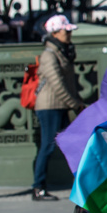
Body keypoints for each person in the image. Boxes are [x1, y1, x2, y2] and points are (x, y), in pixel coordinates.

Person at [32, 14, 86, 201]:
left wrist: (74, 102)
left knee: (72, 143)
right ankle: (38, 187)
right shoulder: (49, 54)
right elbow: (57, 84)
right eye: (66, 30)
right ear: (55, 33)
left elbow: (69, 83)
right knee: (47, 146)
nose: (69, 34)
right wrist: (75, 104)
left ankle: (82, 183)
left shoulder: (63, 51)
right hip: (49, 107)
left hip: (61, 105)